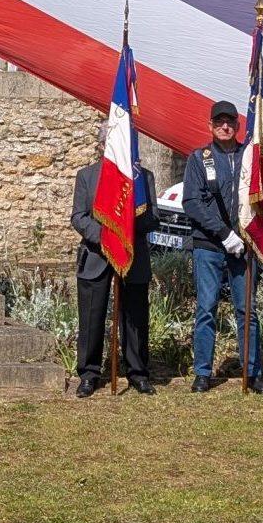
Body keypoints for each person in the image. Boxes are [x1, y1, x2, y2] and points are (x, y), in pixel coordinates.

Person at [180, 99, 263, 393]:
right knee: (206, 308)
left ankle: (252, 372)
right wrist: (223, 233)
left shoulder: (250, 156)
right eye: (219, 122)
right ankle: (203, 372)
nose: (225, 126)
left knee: (247, 311)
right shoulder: (198, 158)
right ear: (210, 126)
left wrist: (243, 236)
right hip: (209, 246)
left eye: (230, 122)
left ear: (239, 125)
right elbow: (192, 203)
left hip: (244, 246)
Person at [69, 145, 157, 396]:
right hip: (96, 255)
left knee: (135, 318)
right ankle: (89, 374)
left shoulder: (144, 177)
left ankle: (138, 373)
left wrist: (126, 227)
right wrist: (106, 235)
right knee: (91, 317)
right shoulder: (87, 175)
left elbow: (153, 217)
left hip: (133, 256)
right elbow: (78, 216)